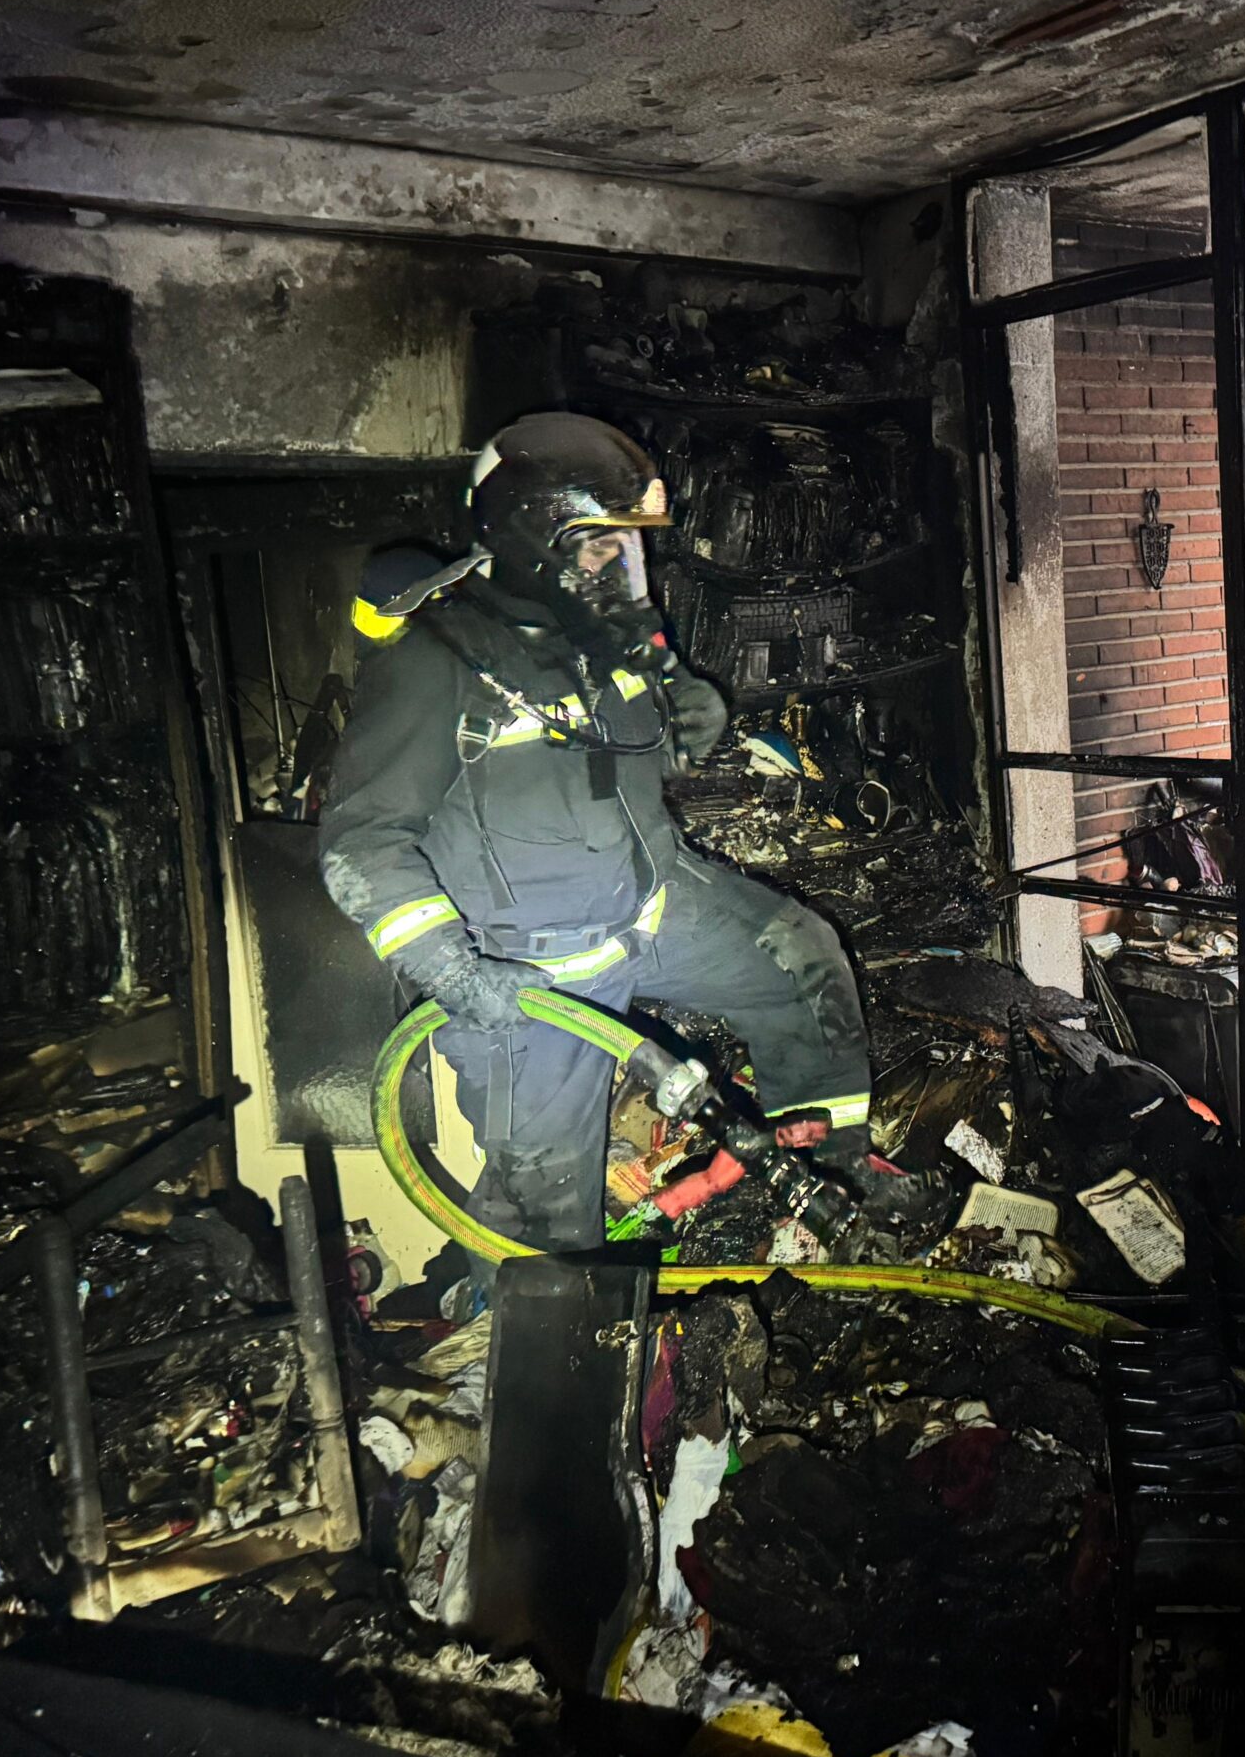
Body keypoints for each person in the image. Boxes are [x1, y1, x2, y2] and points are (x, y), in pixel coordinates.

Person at [318, 412, 872, 1254]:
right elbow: (359, 842)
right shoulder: (437, 659)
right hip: (532, 972)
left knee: (803, 962)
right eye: (604, 543)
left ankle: (830, 1180)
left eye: (630, 544)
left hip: (652, 907)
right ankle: (502, 1347)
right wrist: (450, 969)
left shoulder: (601, 637)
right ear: (535, 538)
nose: (625, 563)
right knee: (546, 1216)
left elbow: (633, 759)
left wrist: (691, 711)